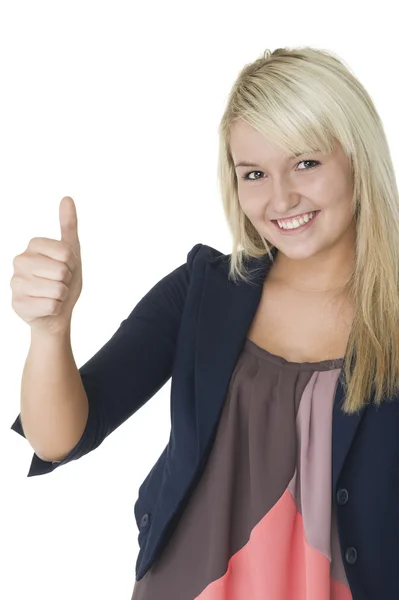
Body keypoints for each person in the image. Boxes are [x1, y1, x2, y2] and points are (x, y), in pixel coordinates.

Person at [9, 46, 399, 599]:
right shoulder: (204, 291)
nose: (281, 196)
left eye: (306, 162)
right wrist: (49, 331)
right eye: (255, 173)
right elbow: (59, 438)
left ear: (357, 157)